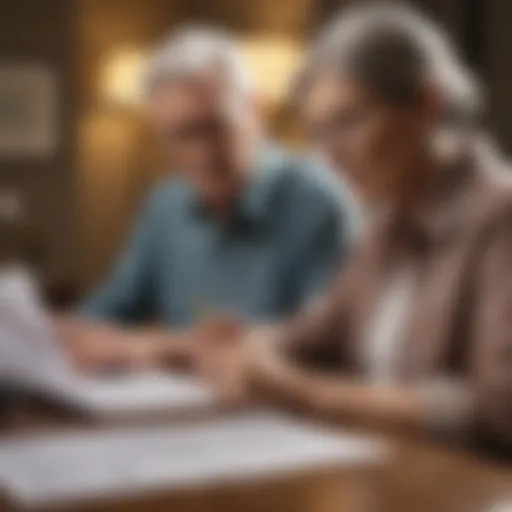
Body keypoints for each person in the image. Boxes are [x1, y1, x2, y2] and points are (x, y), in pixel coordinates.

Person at [201, 4, 512, 452]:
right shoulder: (382, 225)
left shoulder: (501, 216)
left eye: (348, 122)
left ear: (428, 104)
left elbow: (498, 411)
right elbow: (314, 334)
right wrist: (253, 348)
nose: (330, 157)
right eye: (318, 132)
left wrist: (305, 395)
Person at [57, 28, 355, 371]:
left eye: (215, 127)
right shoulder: (165, 205)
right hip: (180, 406)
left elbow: (324, 342)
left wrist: (162, 348)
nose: (203, 153)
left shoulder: (318, 203)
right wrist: (62, 330)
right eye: (179, 137)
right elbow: (111, 311)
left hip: (280, 410)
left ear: (256, 110)